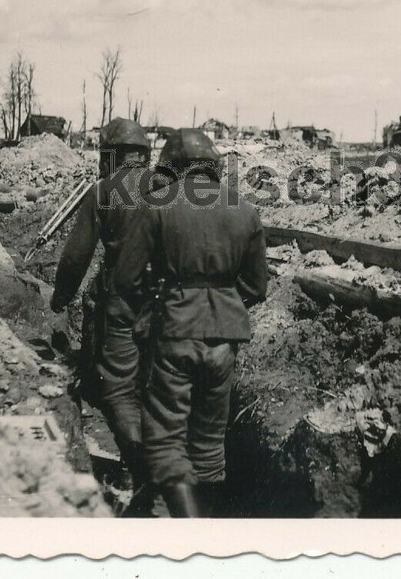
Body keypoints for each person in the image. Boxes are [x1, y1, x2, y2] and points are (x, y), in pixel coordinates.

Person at [113, 129, 268, 517]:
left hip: (175, 330)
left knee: (166, 439)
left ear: (174, 167)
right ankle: (209, 527)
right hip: (224, 339)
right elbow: (256, 286)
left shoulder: (158, 204)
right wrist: (223, 302)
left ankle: (186, 527)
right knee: (210, 442)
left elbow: (125, 280)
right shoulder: (246, 210)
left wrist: (155, 307)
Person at [50, 117, 154, 513]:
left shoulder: (103, 191)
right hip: (166, 306)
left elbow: (77, 254)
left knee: (118, 388)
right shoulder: (171, 191)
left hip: (122, 303)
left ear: (111, 155)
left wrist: (61, 297)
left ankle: (134, 469)